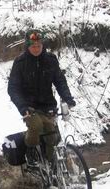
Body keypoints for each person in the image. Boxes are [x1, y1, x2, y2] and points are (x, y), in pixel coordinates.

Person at [8, 30, 76, 164]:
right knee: (37, 126)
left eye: (39, 45)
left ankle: (51, 167)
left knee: (52, 137)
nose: (36, 49)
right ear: (27, 46)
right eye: (33, 46)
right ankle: (31, 153)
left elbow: (59, 81)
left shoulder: (50, 60)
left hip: (48, 105)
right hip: (29, 107)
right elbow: (13, 88)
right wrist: (22, 107)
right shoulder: (20, 63)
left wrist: (68, 98)